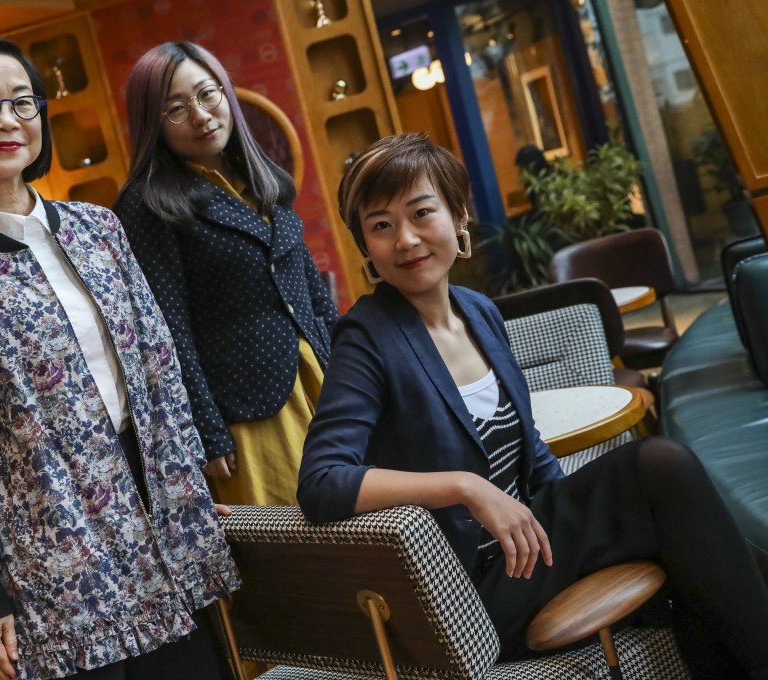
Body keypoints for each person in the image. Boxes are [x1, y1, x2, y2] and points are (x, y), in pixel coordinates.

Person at [297, 132, 768, 678]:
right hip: (467, 585)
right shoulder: (367, 336)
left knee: (675, 518)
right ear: (367, 250)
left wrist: (576, 511)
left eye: (421, 213)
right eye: (381, 226)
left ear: (458, 216)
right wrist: (465, 486)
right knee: (658, 469)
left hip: (527, 548)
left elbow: (533, 457)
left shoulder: (478, 312)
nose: (405, 239)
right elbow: (321, 483)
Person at [0, 36, 239, 680]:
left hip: (159, 533)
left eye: (23, 102)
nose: (9, 121)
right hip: (56, 560)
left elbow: (158, 369)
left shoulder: (98, 229)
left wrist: (186, 484)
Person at [113, 41, 338, 505]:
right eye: (176, 108)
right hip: (248, 414)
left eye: (207, 94)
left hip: (322, 384)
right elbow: (166, 332)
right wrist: (206, 431)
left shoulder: (260, 177)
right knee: (306, 550)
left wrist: (354, 377)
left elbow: (315, 296)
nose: (200, 115)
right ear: (152, 123)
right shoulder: (146, 204)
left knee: (369, 526)